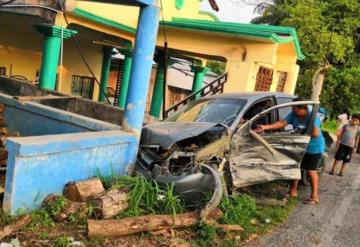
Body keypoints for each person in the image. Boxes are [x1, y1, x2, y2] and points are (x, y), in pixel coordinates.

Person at [256, 98, 325, 205]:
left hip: (314, 147)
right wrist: (266, 127)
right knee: (296, 166)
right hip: (300, 145)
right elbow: (282, 123)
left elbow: (315, 134)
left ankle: (314, 196)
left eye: (295, 108)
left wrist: (302, 132)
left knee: (311, 170)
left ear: (304, 108)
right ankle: (293, 191)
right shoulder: (293, 114)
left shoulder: (312, 116)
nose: (293, 110)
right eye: (292, 108)